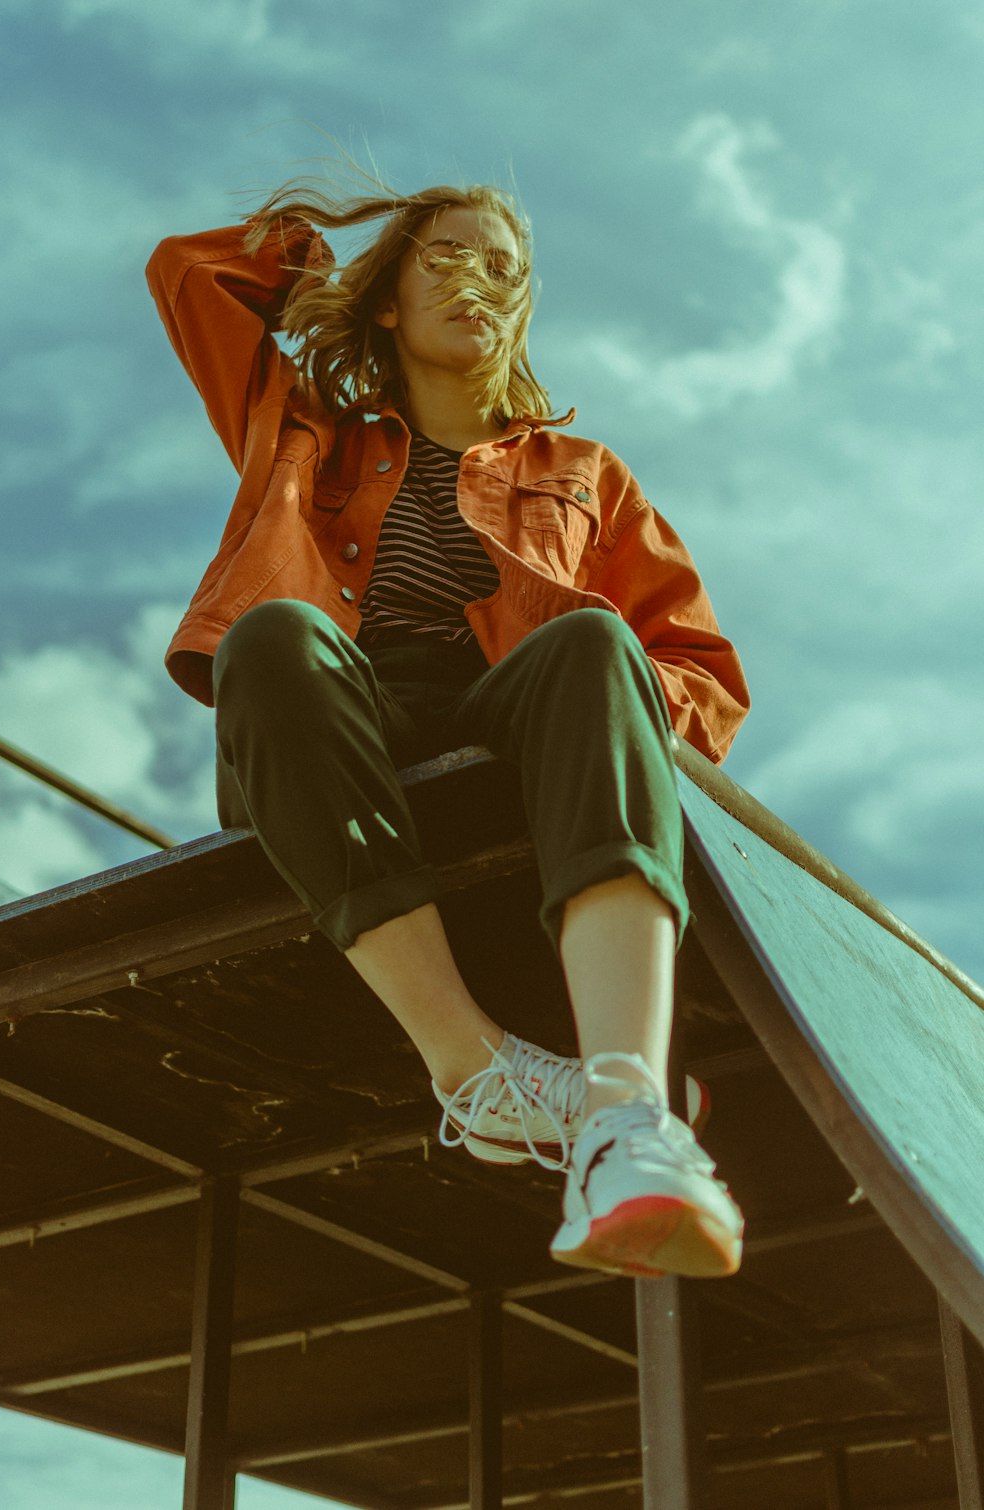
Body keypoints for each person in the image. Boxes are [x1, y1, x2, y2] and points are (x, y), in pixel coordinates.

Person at [147, 169, 751, 1280]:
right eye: (450, 257)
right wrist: (329, 265)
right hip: (334, 728)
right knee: (272, 635)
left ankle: (622, 1114)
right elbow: (188, 270)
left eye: (506, 271)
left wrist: (603, 715)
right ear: (390, 296)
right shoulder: (301, 425)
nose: (482, 279)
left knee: (590, 640)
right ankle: (474, 1070)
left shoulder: (582, 475)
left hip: (507, 724)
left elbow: (699, 670)